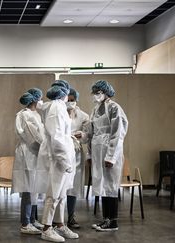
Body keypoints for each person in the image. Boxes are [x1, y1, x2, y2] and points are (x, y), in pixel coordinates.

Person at [36, 80, 79, 242]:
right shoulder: (56, 108)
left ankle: (59, 224)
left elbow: (62, 133)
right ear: (64, 93)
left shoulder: (58, 106)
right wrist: (64, 160)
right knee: (53, 193)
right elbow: (56, 137)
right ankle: (46, 228)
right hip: (57, 157)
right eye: (68, 92)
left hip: (63, 155)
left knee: (62, 194)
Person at [85, 80, 128, 232]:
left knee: (110, 186)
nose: (96, 95)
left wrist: (111, 157)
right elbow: (91, 133)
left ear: (106, 92)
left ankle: (113, 221)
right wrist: (89, 154)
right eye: (95, 92)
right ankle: (106, 219)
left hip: (109, 152)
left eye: (98, 92)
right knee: (102, 186)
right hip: (97, 151)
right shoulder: (95, 109)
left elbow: (117, 134)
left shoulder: (115, 108)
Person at [13, 88, 45, 234]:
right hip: (28, 154)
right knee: (28, 188)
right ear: (34, 100)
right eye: (40, 99)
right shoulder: (25, 115)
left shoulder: (35, 114)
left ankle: (32, 219)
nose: (41, 101)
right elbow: (34, 136)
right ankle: (26, 223)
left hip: (35, 153)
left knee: (35, 188)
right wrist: (47, 146)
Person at [65, 88, 90, 229]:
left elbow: (88, 135)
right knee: (60, 187)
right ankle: (57, 220)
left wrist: (83, 135)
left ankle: (71, 217)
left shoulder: (83, 116)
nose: (69, 103)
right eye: (67, 100)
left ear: (76, 100)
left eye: (72, 100)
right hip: (61, 153)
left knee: (73, 187)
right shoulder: (58, 114)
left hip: (76, 154)